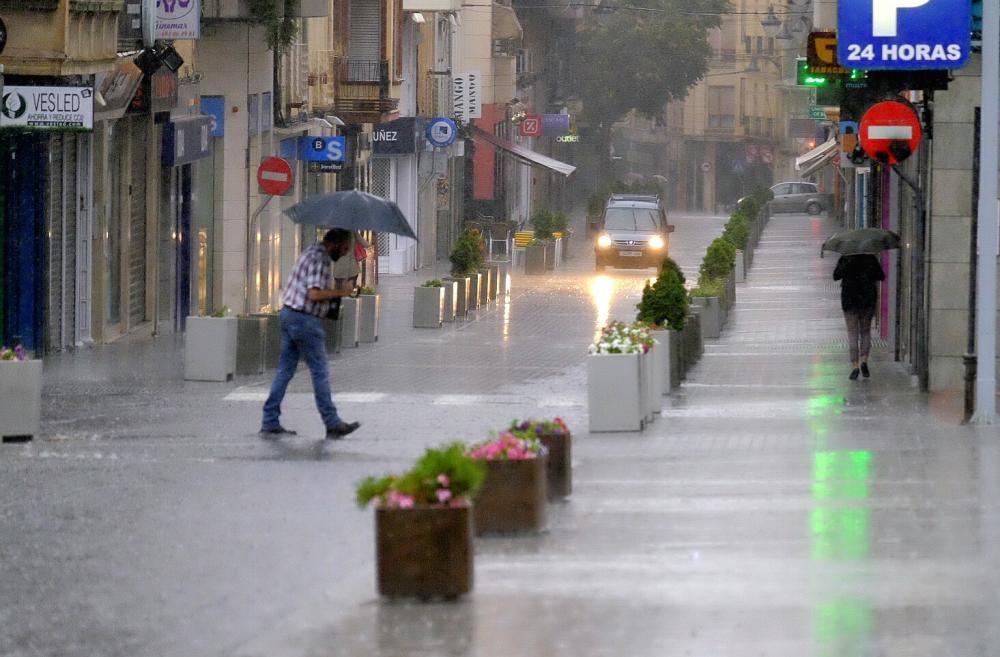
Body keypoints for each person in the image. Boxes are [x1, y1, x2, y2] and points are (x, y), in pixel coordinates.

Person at [260, 228, 361, 439]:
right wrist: (341, 292)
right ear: (334, 244)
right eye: (343, 249)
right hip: (304, 320)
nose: (344, 253)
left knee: (285, 370)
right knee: (320, 370)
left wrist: (334, 289)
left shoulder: (310, 251)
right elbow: (313, 293)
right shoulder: (321, 260)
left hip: (289, 313)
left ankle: (269, 420)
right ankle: (332, 422)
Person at [833, 253, 885, 381]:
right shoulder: (870, 258)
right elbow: (881, 276)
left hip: (849, 301)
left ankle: (855, 365)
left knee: (852, 334)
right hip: (867, 300)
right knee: (865, 332)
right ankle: (864, 360)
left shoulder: (845, 258)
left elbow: (836, 276)